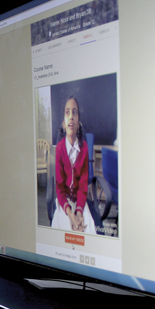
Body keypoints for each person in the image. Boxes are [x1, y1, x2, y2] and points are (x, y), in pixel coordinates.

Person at [50, 95, 95, 234]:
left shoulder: (85, 148)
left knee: (88, 229)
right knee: (64, 232)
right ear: (63, 122)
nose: (71, 117)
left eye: (74, 112)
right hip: (65, 203)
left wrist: (79, 213)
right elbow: (60, 188)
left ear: (78, 121)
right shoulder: (59, 149)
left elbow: (82, 188)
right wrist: (70, 215)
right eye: (67, 112)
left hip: (80, 202)